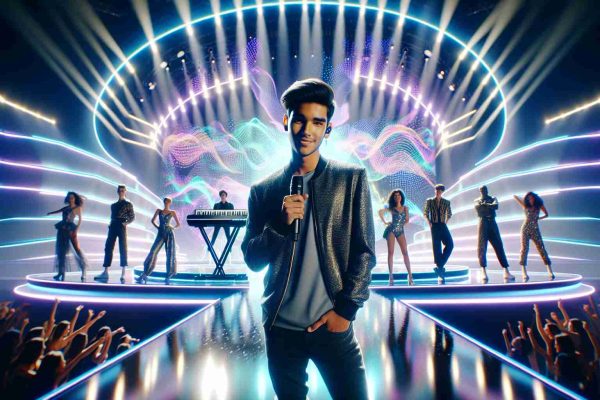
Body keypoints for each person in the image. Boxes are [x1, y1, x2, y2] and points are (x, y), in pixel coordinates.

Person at [241, 78, 375, 400]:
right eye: (299, 119)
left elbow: (365, 252)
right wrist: (281, 224)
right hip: (281, 329)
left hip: (332, 327)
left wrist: (345, 311)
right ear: (286, 121)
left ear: (328, 128)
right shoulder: (263, 191)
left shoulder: (351, 180)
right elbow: (252, 259)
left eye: (318, 122)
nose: (307, 130)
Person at [474, 186, 515, 283]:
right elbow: (479, 209)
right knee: (482, 247)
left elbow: (495, 206)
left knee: (499, 246)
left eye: (485, 190)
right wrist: (489, 205)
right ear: (480, 191)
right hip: (483, 223)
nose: (484, 191)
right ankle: (483, 270)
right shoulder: (477, 200)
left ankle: (506, 270)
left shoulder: (493, 198)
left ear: (487, 190)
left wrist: (485, 205)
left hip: (492, 222)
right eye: (482, 190)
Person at [95, 185, 135, 283]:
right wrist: (111, 224)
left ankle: (123, 272)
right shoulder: (113, 205)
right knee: (108, 247)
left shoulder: (128, 204)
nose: (121, 192)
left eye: (123, 190)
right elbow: (113, 216)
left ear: (125, 191)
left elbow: (132, 217)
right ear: (118, 192)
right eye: (120, 191)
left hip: (121, 226)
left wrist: (125, 223)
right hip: (113, 225)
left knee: (123, 248)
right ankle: (105, 271)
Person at [137, 197, 180, 284]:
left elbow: (178, 224)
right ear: (164, 202)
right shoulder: (158, 211)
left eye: (168, 201)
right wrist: (158, 228)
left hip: (169, 234)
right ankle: (145, 274)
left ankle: (168, 276)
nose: (166, 203)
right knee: (153, 252)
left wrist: (172, 228)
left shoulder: (172, 212)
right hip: (160, 234)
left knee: (170, 255)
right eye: (165, 201)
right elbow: (152, 221)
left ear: (170, 203)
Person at [47, 192, 88, 281]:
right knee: (61, 251)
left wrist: (76, 229)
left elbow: (80, 220)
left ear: (75, 199)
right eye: (69, 198)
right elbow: (58, 211)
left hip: (71, 229)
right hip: (62, 229)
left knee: (76, 249)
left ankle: (83, 269)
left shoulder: (78, 208)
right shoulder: (66, 208)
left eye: (72, 198)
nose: (71, 199)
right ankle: (61, 272)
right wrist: (50, 213)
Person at [513, 192, 554, 281]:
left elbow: (547, 214)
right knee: (524, 249)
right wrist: (522, 197)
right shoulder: (525, 205)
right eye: (529, 198)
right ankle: (524, 271)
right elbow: (515, 196)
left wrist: (538, 218)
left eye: (532, 198)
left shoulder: (539, 205)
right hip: (525, 228)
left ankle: (549, 270)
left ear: (535, 198)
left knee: (541, 248)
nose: (531, 199)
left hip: (535, 229)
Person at [378, 190, 414, 286]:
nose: (397, 197)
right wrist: (385, 222)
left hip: (400, 231)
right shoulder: (391, 208)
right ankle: (391, 276)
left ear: (401, 197)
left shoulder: (405, 208)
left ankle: (410, 276)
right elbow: (380, 212)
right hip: (391, 230)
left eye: (398, 195)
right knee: (391, 252)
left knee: (405, 252)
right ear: (393, 198)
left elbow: (407, 220)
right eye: (395, 195)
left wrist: (402, 224)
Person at [423, 184, 453, 284]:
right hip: (434, 225)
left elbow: (450, 214)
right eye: (436, 190)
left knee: (450, 244)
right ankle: (440, 268)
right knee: (437, 246)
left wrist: (446, 222)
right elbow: (425, 213)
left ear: (442, 191)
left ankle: (439, 266)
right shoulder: (430, 201)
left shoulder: (446, 202)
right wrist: (429, 223)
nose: (437, 192)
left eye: (439, 191)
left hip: (443, 225)